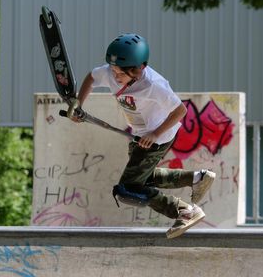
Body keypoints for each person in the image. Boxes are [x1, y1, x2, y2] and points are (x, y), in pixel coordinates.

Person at [67, 33, 215, 239]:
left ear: (139, 69)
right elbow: (91, 78)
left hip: (158, 137)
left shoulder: (154, 85)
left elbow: (180, 111)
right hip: (138, 135)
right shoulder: (110, 72)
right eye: (113, 70)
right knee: (142, 180)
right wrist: (78, 104)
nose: (115, 77)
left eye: (121, 74)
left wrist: (155, 134)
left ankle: (184, 211)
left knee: (127, 189)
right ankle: (198, 178)